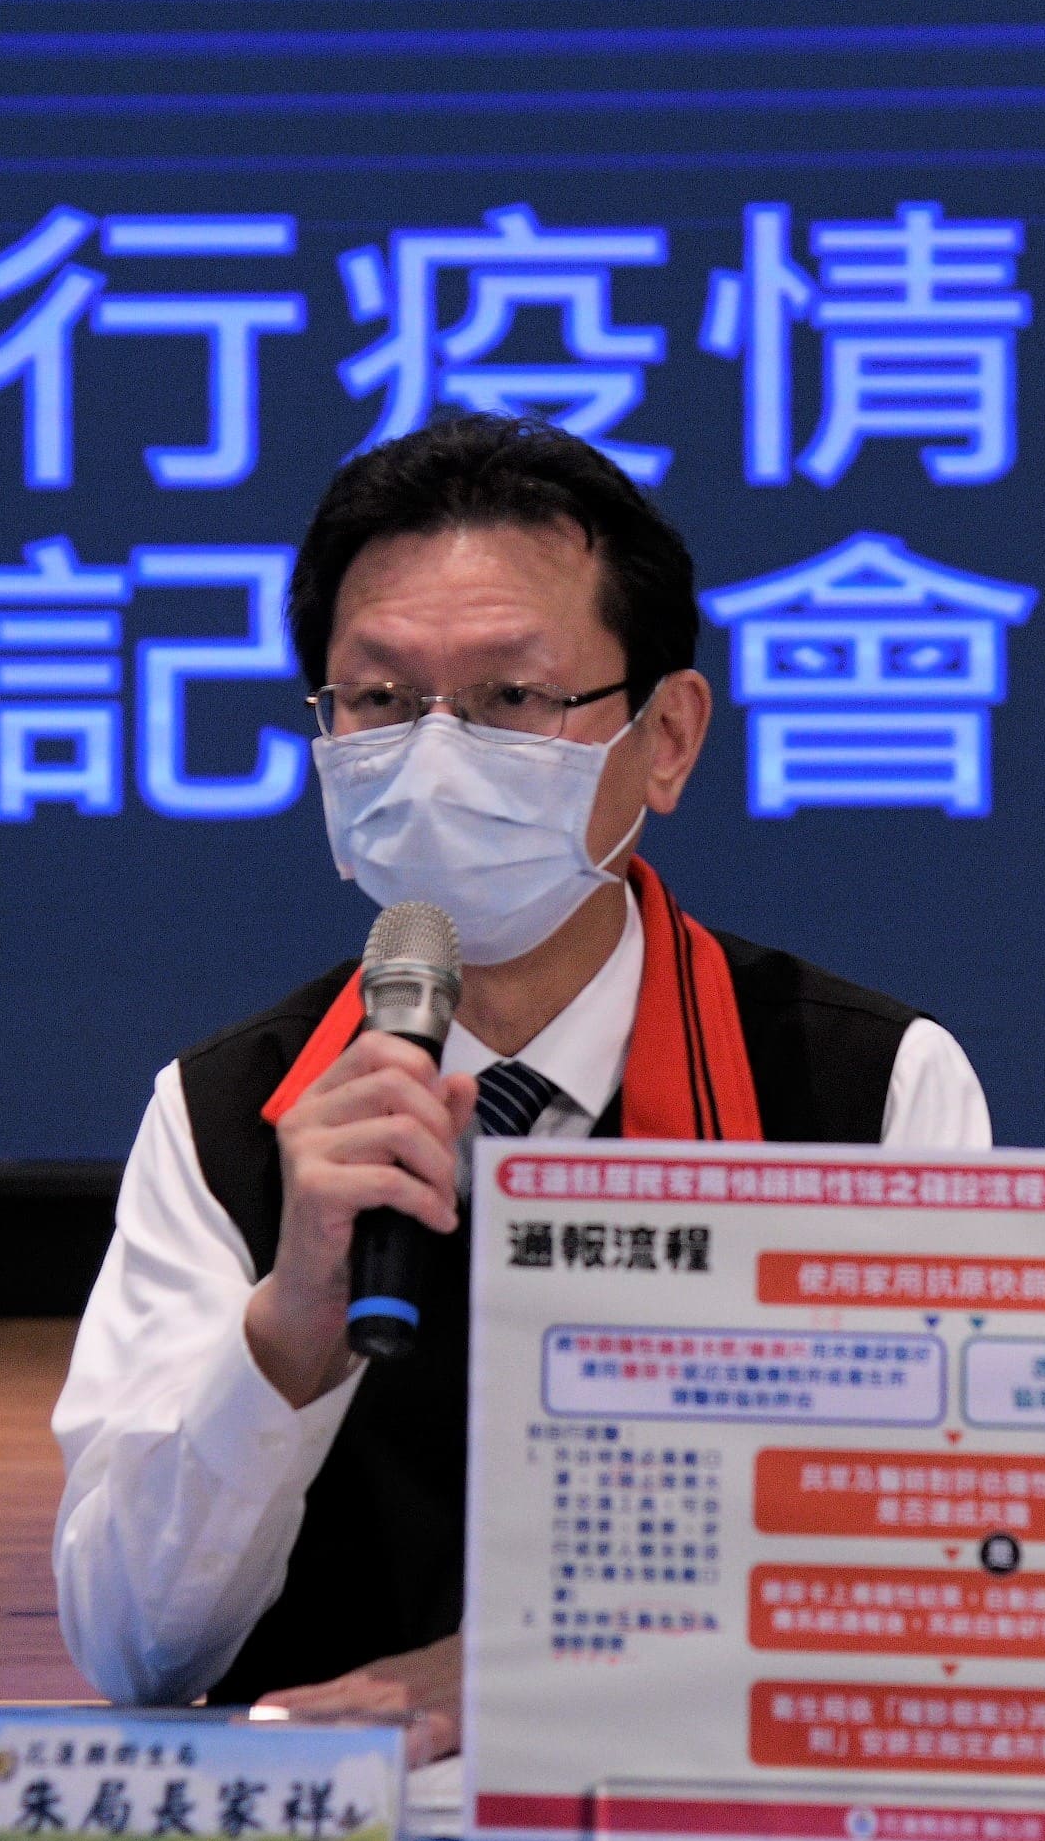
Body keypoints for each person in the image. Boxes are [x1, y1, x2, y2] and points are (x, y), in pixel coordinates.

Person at [52, 415, 993, 1741]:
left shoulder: (867, 1091)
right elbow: (130, 1649)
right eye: (380, 702)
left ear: (667, 737)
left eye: (510, 698)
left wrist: (530, 1675)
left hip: (702, 1823)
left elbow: (935, 1570)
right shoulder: (221, 1120)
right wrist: (290, 1326)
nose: (436, 757)